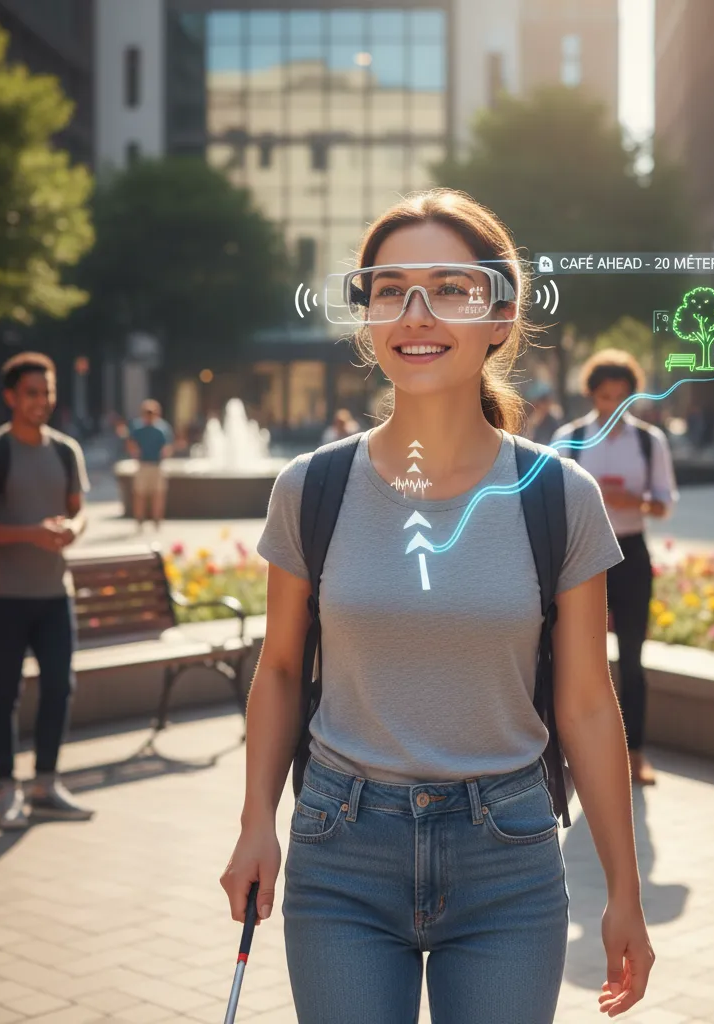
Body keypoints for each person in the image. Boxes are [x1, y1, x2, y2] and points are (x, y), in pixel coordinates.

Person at [219, 190, 654, 1022]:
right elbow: (278, 671)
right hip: (340, 850)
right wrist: (255, 825)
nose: (416, 313)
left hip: (510, 860)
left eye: (450, 287)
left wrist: (624, 892)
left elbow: (589, 704)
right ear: (368, 316)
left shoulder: (559, 495)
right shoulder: (310, 488)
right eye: (390, 289)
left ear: (500, 315)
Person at [0, 352, 93, 830]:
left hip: (54, 593)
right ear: (11, 397)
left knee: (60, 686)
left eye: (48, 392)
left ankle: (45, 782)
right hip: (5, 595)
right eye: (33, 393)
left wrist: (71, 531)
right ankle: (5, 789)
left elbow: (79, 511)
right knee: (6, 692)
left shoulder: (65, 450)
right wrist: (29, 533)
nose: (42, 401)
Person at [552, 350, 679, 786]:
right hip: (581, 558)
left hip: (631, 554)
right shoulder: (569, 440)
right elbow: (552, 504)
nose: (615, 405)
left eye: (623, 396)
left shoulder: (650, 441)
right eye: (607, 396)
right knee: (576, 658)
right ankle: (573, 754)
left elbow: (664, 503)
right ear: (592, 395)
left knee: (632, 660)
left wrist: (634, 501)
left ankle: (634, 754)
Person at [127, 399, 174, 531]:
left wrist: (165, 453)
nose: (149, 415)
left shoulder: (163, 427)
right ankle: (139, 520)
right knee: (139, 494)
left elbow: (168, 445)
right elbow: (130, 442)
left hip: (157, 465)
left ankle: (157, 520)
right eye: (147, 412)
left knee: (158, 494)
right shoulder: (137, 427)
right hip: (143, 465)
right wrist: (135, 453)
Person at [523, 380, 563, 445]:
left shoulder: (554, 420)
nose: (546, 404)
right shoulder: (530, 421)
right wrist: (532, 426)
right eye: (543, 401)